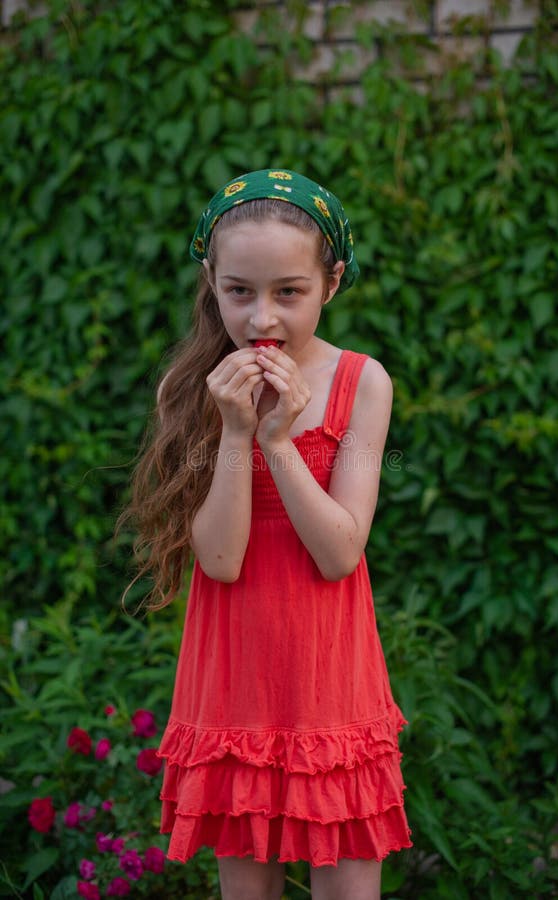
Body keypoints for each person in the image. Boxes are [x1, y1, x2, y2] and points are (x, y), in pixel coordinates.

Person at [125, 169, 411, 900]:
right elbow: (218, 560)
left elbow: (340, 551)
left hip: (328, 666)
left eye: (289, 292)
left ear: (332, 281)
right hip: (236, 671)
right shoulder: (190, 389)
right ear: (210, 281)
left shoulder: (360, 381)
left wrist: (279, 444)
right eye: (238, 292)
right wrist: (235, 431)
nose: (261, 319)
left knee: (347, 889)